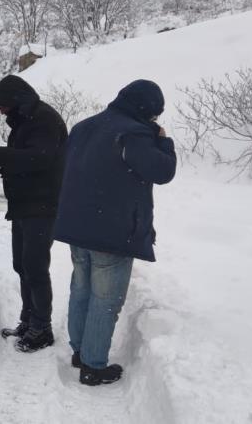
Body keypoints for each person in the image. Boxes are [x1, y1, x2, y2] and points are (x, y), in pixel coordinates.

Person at [54, 80, 176, 386]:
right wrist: (163, 141)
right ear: (146, 109)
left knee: (81, 289)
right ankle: (93, 367)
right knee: (105, 300)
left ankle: (80, 351)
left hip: (77, 226)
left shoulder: (83, 127)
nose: (154, 122)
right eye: (155, 116)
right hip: (112, 231)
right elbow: (162, 171)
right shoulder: (134, 133)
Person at [0, 75, 68, 353]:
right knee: (22, 264)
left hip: (42, 205)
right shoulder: (27, 119)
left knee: (35, 266)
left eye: (3, 106)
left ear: (16, 100)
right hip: (25, 204)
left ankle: (42, 327)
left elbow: (39, 158)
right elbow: (24, 158)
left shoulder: (44, 120)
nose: (2, 111)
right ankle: (28, 320)